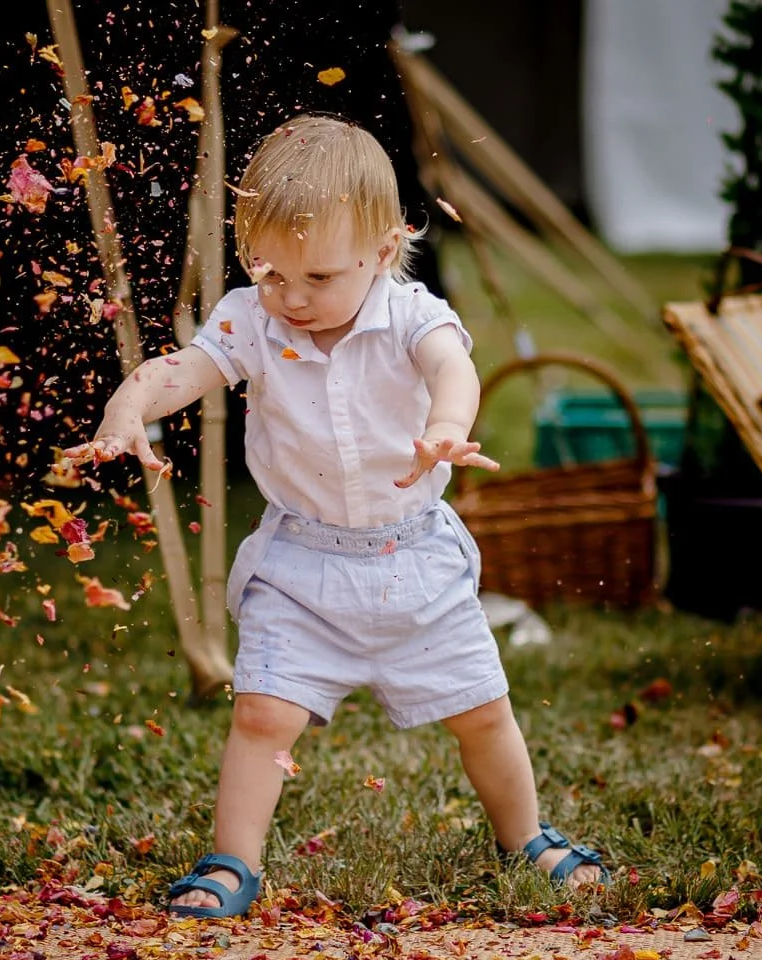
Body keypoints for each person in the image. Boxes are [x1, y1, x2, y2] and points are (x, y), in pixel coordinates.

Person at [65, 114, 608, 918]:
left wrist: (447, 428)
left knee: (483, 713)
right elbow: (178, 372)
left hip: (414, 561)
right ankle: (231, 862)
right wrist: (126, 413)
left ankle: (524, 833)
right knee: (261, 714)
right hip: (301, 567)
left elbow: (451, 368)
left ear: (384, 251)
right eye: (271, 272)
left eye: (317, 279)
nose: (291, 297)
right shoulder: (254, 317)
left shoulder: (412, 313)